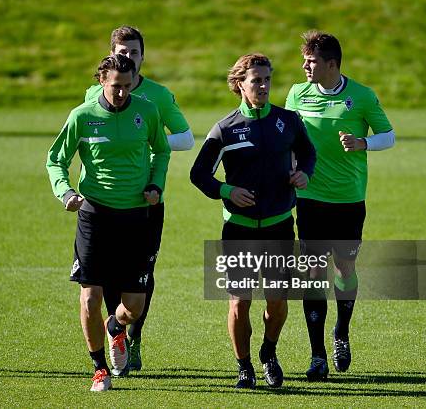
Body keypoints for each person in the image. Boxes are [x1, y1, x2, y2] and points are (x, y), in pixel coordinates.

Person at [190, 53, 316, 389]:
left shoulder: (288, 121)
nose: (262, 86)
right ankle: (244, 366)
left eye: (267, 80)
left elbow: (308, 153)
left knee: (276, 300)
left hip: (278, 226)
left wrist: (304, 173)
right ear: (240, 84)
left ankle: (269, 351)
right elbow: (199, 174)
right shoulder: (225, 129)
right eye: (255, 80)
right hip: (239, 230)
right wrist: (227, 190)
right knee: (239, 301)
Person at [46, 54, 170, 391]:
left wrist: (156, 184)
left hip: (136, 218)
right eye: (116, 86)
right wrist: (65, 191)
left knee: (133, 306)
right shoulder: (82, 116)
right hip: (94, 215)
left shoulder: (146, 111)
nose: (122, 94)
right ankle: (99, 369)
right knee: (90, 296)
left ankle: (115, 327)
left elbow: (162, 150)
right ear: (102, 80)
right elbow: (56, 159)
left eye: (128, 87)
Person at [285, 30, 395, 380]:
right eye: (304, 59)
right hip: (310, 197)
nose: (305, 66)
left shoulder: (361, 96)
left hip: (349, 199)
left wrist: (363, 142)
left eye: (312, 61)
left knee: (344, 268)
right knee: (314, 272)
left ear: (331, 64)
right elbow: (288, 137)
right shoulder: (296, 93)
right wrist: (290, 166)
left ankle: (341, 332)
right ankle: (317, 355)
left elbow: (389, 136)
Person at [85, 25, 193, 374]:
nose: (128, 57)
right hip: (105, 200)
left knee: (142, 272)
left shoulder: (159, 97)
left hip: (148, 197)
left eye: (133, 52)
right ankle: (116, 341)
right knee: (108, 274)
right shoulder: (93, 95)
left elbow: (186, 138)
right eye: (122, 51)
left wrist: (146, 143)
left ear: (143, 56)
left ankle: (133, 335)